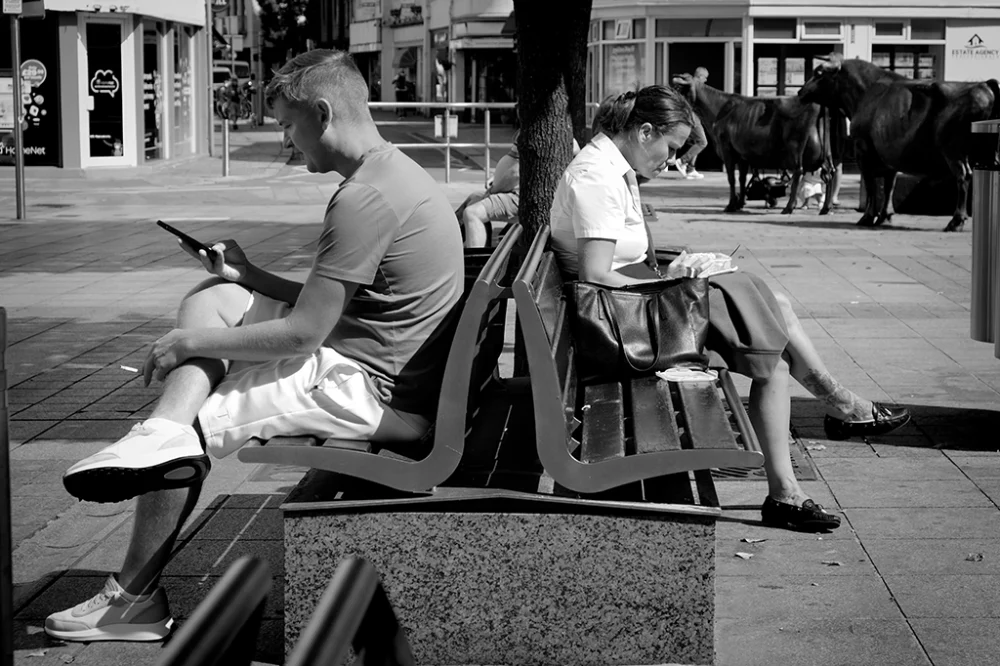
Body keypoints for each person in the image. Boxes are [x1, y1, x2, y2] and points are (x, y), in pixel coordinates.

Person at [44, 49, 464, 642]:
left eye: (288, 126)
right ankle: (162, 429)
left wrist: (187, 343)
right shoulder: (390, 173)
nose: (288, 144)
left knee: (188, 432)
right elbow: (332, 302)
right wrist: (249, 276)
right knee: (217, 294)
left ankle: (132, 597)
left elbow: (304, 333)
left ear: (321, 113)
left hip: (374, 388)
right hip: (379, 354)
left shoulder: (362, 199)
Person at [550, 85, 910, 532]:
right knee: (767, 328)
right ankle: (831, 420)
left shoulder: (608, 166)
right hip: (623, 327)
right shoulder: (597, 176)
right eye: (672, 148)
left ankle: (816, 442)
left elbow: (615, 266)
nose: (672, 160)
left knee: (766, 311)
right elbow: (598, 275)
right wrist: (680, 283)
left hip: (631, 309)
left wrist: (679, 273)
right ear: (645, 131)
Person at [671, 66, 709, 180]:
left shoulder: (695, 85)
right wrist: (688, 81)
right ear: (700, 76)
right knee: (702, 142)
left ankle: (690, 169)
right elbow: (675, 80)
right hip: (690, 115)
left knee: (696, 142)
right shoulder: (691, 79)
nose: (706, 81)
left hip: (690, 114)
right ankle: (682, 161)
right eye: (705, 78)